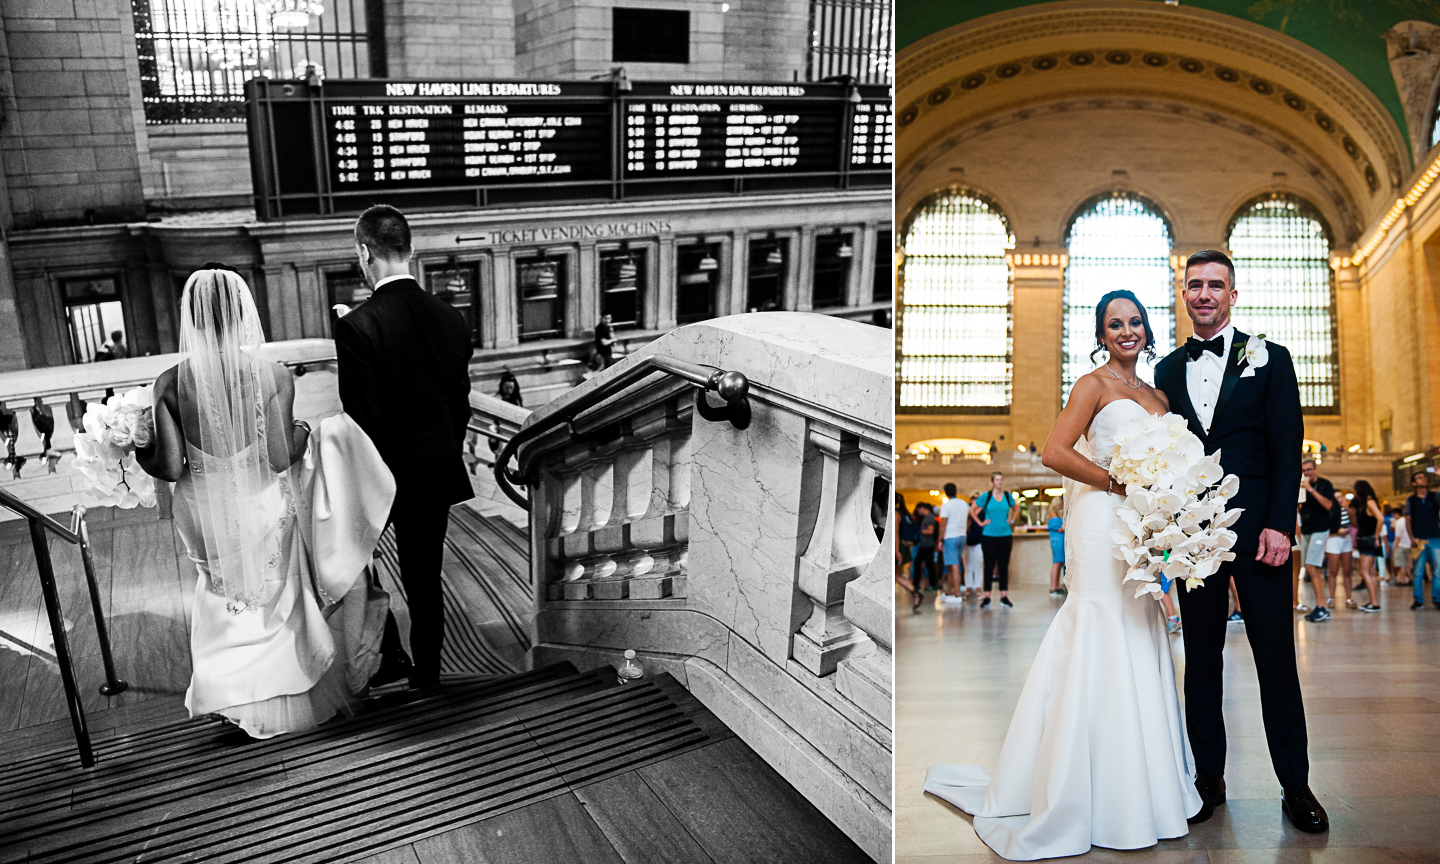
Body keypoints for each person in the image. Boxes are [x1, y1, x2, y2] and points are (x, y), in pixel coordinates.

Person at [925, 290, 1200, 859]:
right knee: (1100, 622)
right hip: (1102, 517)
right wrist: (1116, 481)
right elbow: (1054, 451)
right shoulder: (1093, 386)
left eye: (1135, 322)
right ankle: (1083, 787)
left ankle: (1143, 782)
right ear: (1101, 335)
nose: (1127, 331)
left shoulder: (1158, 394)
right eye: (1114, 324)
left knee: (1140, 624)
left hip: (1143, 523)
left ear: (1147, 330)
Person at [136, 267, 355, 738]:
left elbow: (170, 467)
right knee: (274, 594)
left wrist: (138, 447)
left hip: (202, 505)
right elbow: (279, 456)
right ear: (241, 317)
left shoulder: (170, 383)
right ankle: (284, 691)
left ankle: (228, 691)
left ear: (191, 318)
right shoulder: (272, 374)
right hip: (258, 500)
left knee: (219, 593)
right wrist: (303, 433)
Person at [1154, 250, 1322, 832]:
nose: (1204, 294)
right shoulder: (1169, 370)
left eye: (1215, 285)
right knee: (1201, 663)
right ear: (1184, 293)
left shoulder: (1271, 359)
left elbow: (1286, 445)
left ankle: (1296, 786)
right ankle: (1208, 782)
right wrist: (1166, 538)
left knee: (1276, 659)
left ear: (1232, 293)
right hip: (1195, 537)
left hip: (1260, 536)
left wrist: (1281, 523)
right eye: (1194, 285)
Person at [334, 205, 475, 689]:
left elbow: (361, 421)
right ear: (411, 250)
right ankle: (430, 678)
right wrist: (439, 451)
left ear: (363, 253)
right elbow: (461, 408)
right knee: (424, 578)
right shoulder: (450, 318)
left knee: (355, 565)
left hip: (380, 475)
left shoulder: (357, 326)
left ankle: (386, 656)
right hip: (435, 467)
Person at [971, 471, 1017, 608]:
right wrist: (980, 523)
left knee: (1003, 566)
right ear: (992, 482)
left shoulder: (1008, 496)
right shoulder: (987, 496)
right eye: (997, 480)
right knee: (989, 566)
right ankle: (987, 596)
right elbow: (972, 510)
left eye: (1001, 480)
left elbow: (1016, 508)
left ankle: (1004, 596)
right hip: (989, 536)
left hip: (1005, 535)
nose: (1000, 482)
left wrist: (1012, 519)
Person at [1297, 458, 1334, 620]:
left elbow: (1328, 505)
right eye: (1304, 470)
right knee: (1311, 567)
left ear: (1315, 469)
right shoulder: (1300, 486)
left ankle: (1321, 606)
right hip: (1306, 530)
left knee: (1312, 566)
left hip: (1320, 529)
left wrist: (1310, 489)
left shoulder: (1325, 484)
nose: (1307, 473)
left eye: (1309, 469)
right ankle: (1320, 606)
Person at [1406, 470, 1440, 609]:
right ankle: (1418, 599)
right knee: (1418, 571)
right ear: (1414, 484)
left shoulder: (1435, 497)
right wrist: (1412, 537)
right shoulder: (1411, 500)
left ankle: (1437, 598)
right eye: (1419, 478)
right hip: (1418, 539)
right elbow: (1408, 519)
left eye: (1424, 477)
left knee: (1437, 571)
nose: (1424, 479)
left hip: (1435, 537)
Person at [1351, 480, 1383, 612]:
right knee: (1370, 572)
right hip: (1367, 540)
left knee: (1364, 571)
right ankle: (1372, 601)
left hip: (1368, 540)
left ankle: (1374, 602)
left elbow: (1380, 518)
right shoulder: (1366, 503)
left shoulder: (1369, 502)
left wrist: (1376, 536)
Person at [936, 483, 968, 605]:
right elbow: (968, 518)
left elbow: (943, 522)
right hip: (962, 536)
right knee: (950, 565)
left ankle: (957, 594)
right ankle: (949, 592)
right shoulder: (964, 503)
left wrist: (940, 538)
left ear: (945, 492)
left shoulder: (947, 504)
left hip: (950, 536)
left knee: (954, 565)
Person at [1325, 486, 1355, 609]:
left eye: (1340, 497)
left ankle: (1349, 598)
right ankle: (1331, 598)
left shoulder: (1346, 510)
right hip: (1333, 539)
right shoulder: (1330, 510)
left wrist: (1347, 509)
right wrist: (1338, 532)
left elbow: (1354, 523)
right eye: (1336, 497)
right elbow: (1326, 527)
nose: (1339, 499)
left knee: (1347, 571)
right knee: (1333, 570)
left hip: (1346, 540)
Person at [896, 493, 923, 612]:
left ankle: (915, 592)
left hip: (898, 548)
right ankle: (915, 593)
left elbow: (895, 532)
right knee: (897, 574)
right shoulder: (904, 513)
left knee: (896, 575)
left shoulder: (896, 514)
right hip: (904, 547)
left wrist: (896, 551)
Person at [963, 488, 986, 598]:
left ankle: (978, 590)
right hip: (967, 541)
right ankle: (968, 589)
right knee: (968, 566)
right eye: (973, 498)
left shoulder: (985, 511)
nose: (975, 500)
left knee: (978, 566)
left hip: (980, 541)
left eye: (978, 498)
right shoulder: (966, 511)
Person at [914, 502, 939, 594]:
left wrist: (918, 531)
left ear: (922, 508)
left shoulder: (929, 517)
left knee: (927, 565)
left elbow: (930, 531)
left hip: (927, 545)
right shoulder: (928, 517)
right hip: (925, 544)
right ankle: (918, 584)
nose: (918, 512)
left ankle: (931, 584)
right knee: (924, 564)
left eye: (918, 510)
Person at [1045, 495, 1065, 597]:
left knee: (1059, 564)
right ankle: (1053, 588)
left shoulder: (1056, 514)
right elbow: (1060, 529)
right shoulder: (1053, 516)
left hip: (1059, 541)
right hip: (1058, 541)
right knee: (1056, 563)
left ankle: (1056, 587)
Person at [1393, 506, 1413, 586]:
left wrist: (1395, 547)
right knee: (1406, 564)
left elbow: (1398, 536)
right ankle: (1411, 579)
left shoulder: (1399, 522)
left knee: (1402, 565)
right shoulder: (1409, 521)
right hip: (1409, 545)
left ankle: (1403, 581)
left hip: (1401, 545)